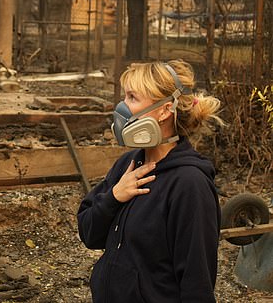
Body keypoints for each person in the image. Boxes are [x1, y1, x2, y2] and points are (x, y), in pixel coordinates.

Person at [77, 59, 224, 303]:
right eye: (125, 97)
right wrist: (113, 197)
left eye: (132, 98)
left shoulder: (190, 184)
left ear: (165, 110)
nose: (122, 107)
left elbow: (197, 283)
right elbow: (89, 234)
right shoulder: (128, 164)